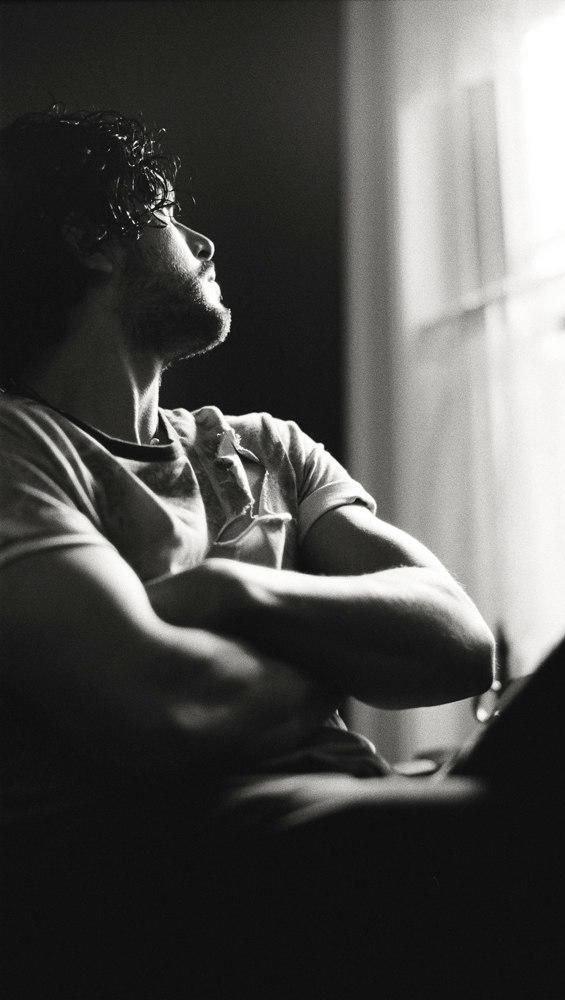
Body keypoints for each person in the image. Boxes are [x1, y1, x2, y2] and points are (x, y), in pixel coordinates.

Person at [0, 107, 495, 995]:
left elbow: (458, 644)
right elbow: (166, 707)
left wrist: (231, 596)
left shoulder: (263, 447)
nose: (202, 240)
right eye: (166, 215)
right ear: (94, 241)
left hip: (333, 822)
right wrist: (332, 666)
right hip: (156, 874)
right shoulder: (18, 448)